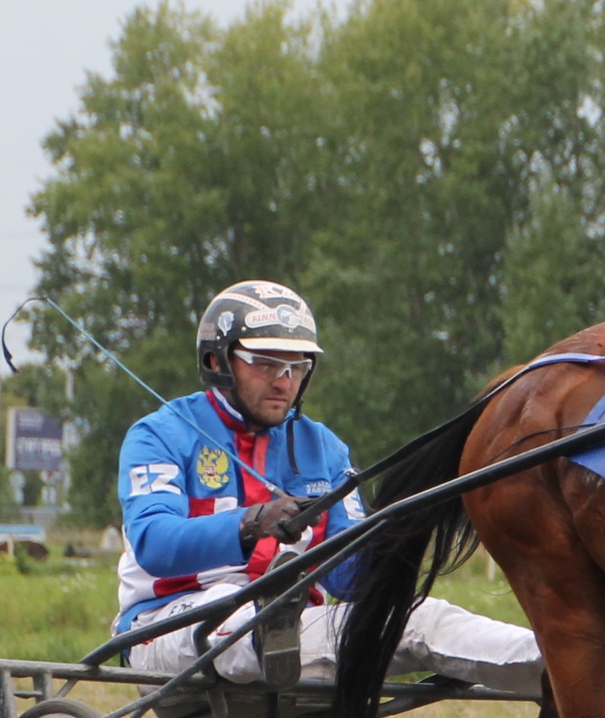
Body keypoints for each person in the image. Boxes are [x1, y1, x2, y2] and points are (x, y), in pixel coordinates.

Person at [112, 280, 542, 694]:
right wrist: (252, 522)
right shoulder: (159, 435)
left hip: (300, 628)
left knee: (422, 618)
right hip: (166, 625)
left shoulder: (324, 449)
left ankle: (560, 662)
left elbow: (349, 582)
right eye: (265, 363)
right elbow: (154, 542)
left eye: (296, 366)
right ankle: (268, 629)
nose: (283, 381)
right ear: (216, 361)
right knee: (235, 605)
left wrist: (400, 530)